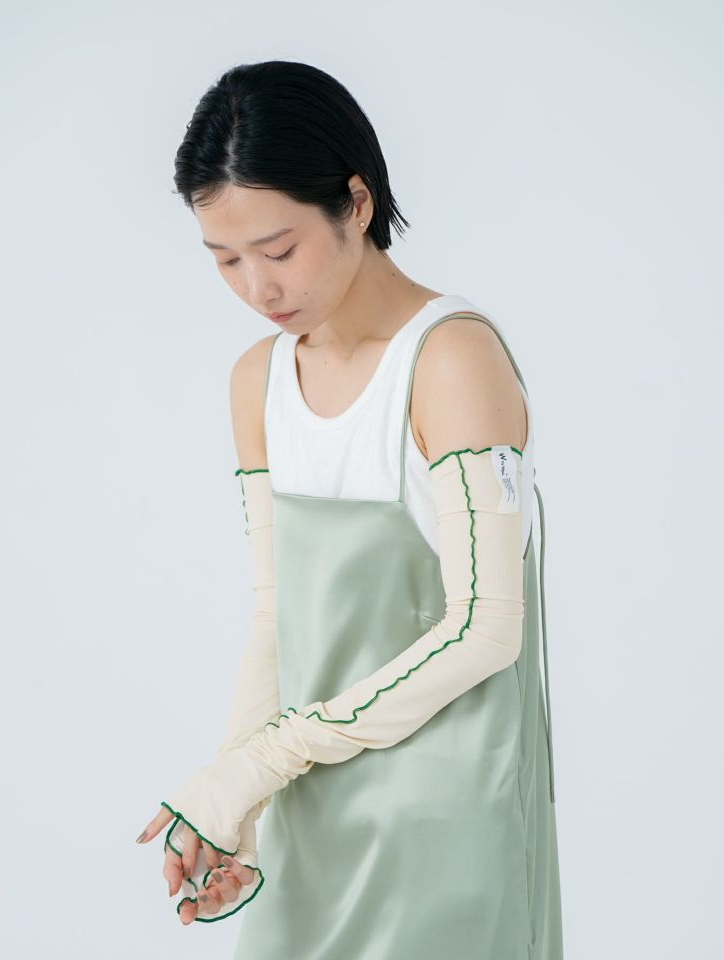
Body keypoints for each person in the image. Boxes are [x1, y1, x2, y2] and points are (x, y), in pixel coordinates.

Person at [135, 59, 563, 959]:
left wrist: (264, 760)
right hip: (310, 815)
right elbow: (277, 617)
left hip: (445, 829)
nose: (258, 289)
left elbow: (485, 628)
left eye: (278, 250)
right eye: (225, 260)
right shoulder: (257, 381)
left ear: (356, 203)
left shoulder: (450, 360)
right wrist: (233, 799)